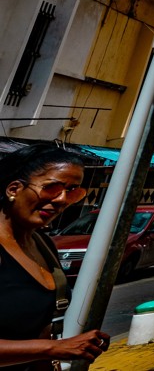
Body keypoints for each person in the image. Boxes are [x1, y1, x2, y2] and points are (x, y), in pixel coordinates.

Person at [0, 145, 109, 369]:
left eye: (73, 191)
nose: (62, 200)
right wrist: (56, 348)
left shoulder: (44, 245)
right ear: (14, 189)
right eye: (52, 188)